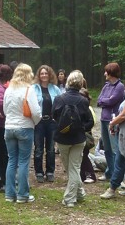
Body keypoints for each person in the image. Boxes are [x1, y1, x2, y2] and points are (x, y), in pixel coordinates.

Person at [51, 70, 94, 207]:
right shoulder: (84, 101)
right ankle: (80, 193)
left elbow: (53, 116)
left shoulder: (59, 99)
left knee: (71, 168)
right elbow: (90, 122)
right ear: (81, 83)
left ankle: (70, 199)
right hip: (78, 139)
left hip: (62, 138)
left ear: (68, 82)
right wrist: (80, 128)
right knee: (74, 168)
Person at [3, 63, 42, 202]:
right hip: (24, 127)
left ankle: (9, 194)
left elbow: (5, 110)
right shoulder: (29, 90)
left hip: (9, 127)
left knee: (11, 160)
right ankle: (23, 194)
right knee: (23, 161)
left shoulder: (8, 89)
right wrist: (35, 122)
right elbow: (36, 112)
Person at [96, 63, 125, 183]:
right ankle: (109, 173)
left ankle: (118, 176)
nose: (104, 74)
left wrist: (106, 101)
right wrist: (106, 100)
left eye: (106, 72)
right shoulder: (106, 86)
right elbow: (99, 100)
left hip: (113, 121)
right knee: (107, 148)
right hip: (103, 119)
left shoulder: (120, 86)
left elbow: (112, 101)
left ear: (111, 72)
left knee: (114, 149)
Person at [32, 65, 61, 182]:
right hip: (38, 122)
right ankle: (39, 172)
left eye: (46, 73)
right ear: (39, 75)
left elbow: (60, 104)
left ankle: (50, 171)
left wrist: (57, 118)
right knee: (38, 148)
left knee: (50, 148)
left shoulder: (55, 89)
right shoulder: (33, 88)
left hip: (51, 122)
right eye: (42, 73)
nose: (44, 75)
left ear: (50, 75)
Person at [78, 87, 98, 183]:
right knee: (81, 156)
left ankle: (91, 175)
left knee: (84, 155)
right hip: (80, 135)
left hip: (86, 135)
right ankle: (82, 175)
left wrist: (81, 128)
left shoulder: (88, 109)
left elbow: (92, 122)